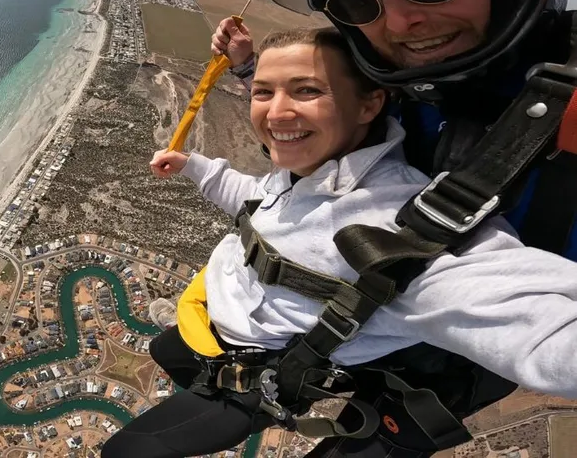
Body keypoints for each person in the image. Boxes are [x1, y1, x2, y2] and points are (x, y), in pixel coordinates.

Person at [100, 26, 577, 458]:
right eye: (263, 92)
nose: (276, 111)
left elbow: (544, 333)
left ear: (370, 104)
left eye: (307, 91)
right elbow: (257, 201)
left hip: (257, 370)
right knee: (169, 352)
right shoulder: (306, 165)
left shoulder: (397, 227)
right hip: (216, 315)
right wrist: (198, 167)